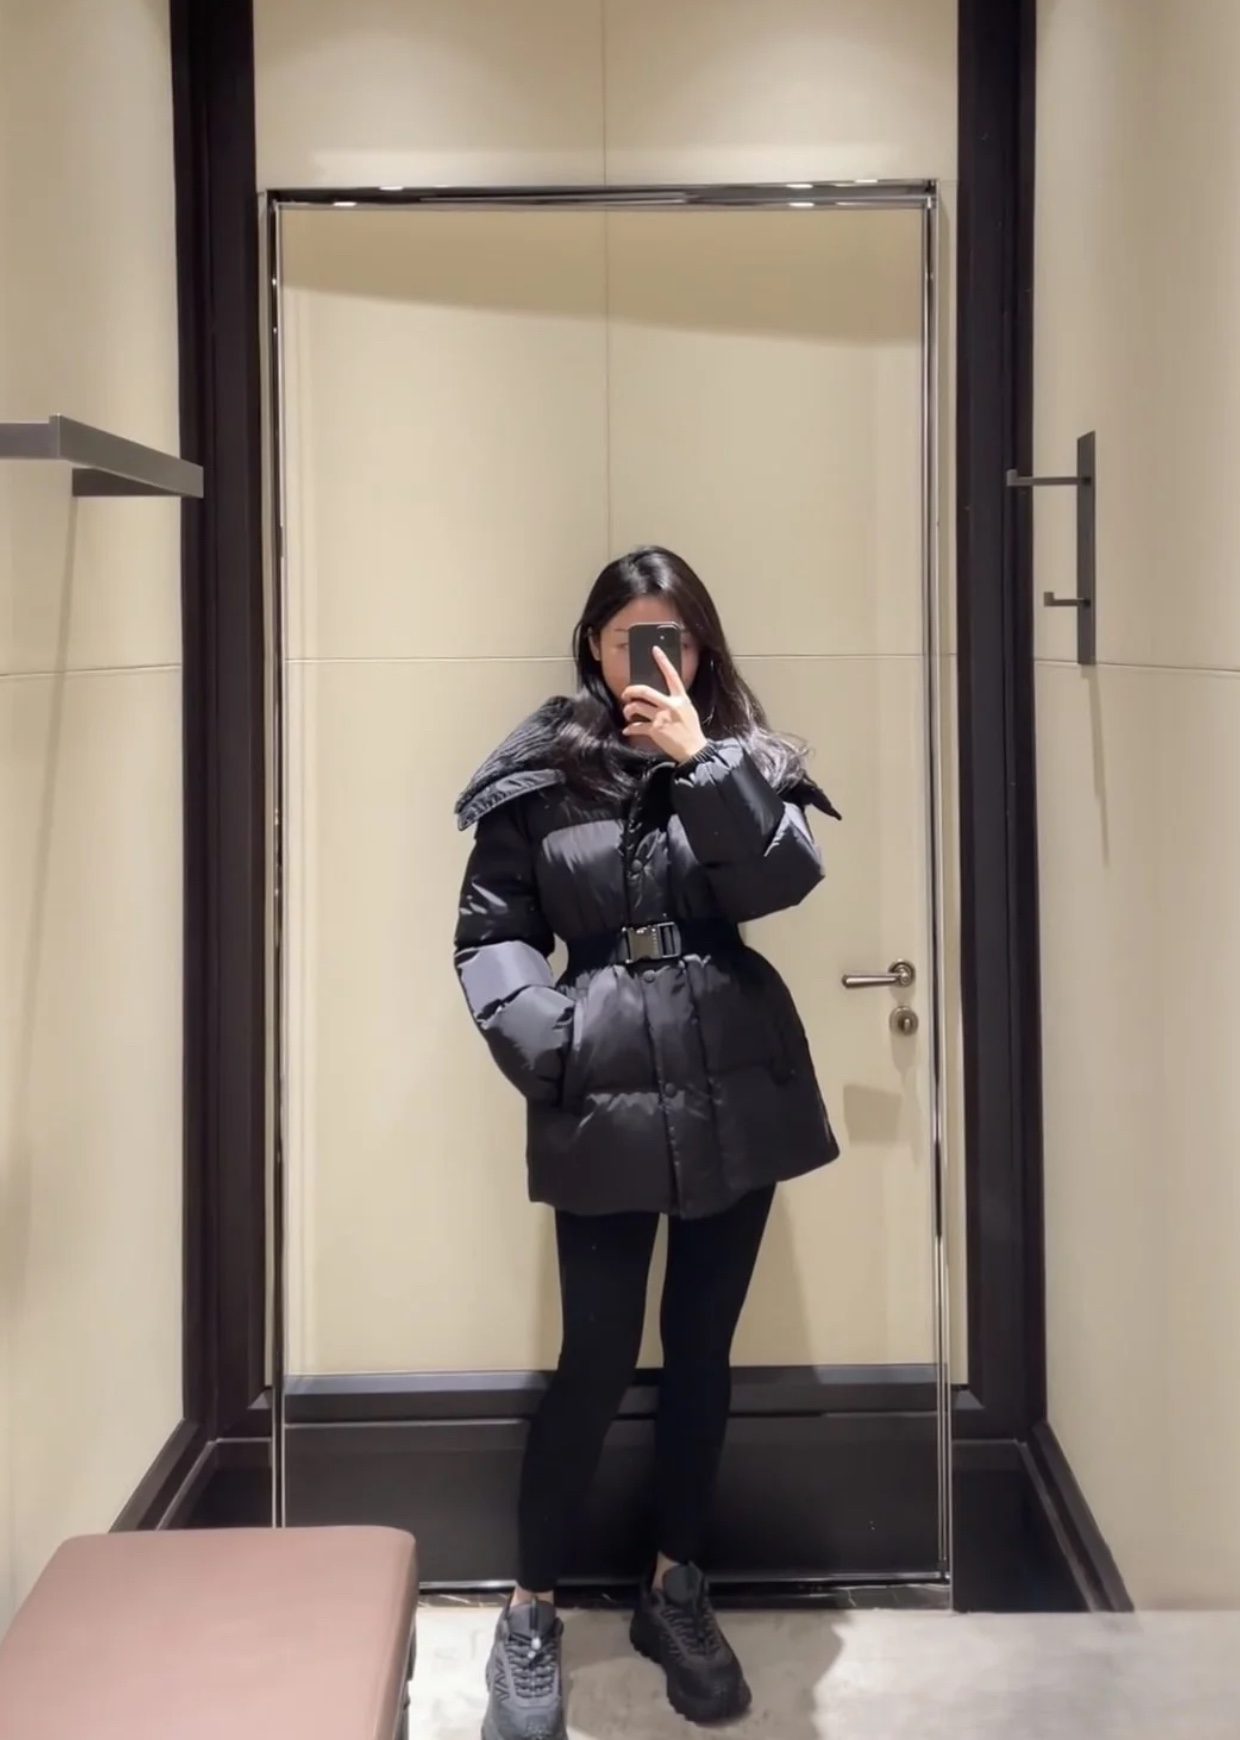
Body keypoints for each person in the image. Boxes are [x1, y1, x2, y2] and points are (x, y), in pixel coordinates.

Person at [454, 546, 840, 1739]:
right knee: (595, 1354)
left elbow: (780, 883)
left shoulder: (744, 758)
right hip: (603, 1082)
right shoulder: (539, 774)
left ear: (700, 646)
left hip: (734, 1075)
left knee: (703, 1349)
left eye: (669, 636)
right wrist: (554, 1045)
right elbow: (489, 934)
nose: (648, 658)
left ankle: (675, 1589)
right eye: (627, 637)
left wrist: (700, 761)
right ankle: (529, 1609)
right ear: (592, 646)